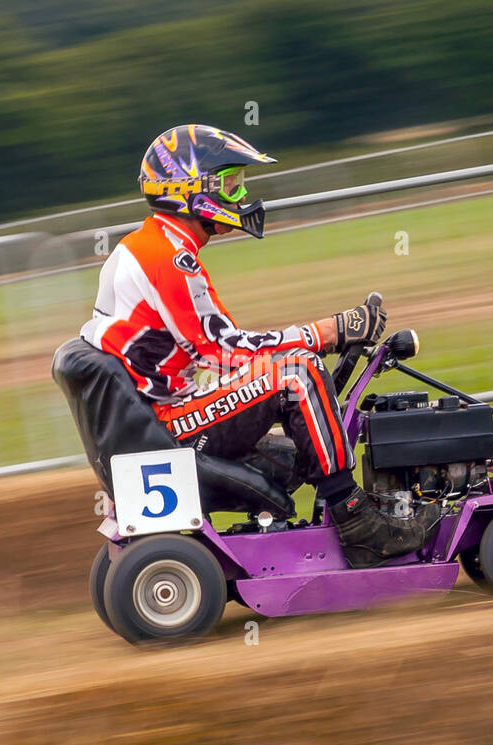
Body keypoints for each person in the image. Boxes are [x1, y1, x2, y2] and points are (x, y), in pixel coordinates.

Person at [80, 124, 438, 567]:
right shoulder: (167, 259)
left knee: (296, 453)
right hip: (169, 425)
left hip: (159, 415)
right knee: (298, 372)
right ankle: (358, 525)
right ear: (191, 190)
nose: (240, 196)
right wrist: (329, 332)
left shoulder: (145, 246)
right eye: (230, 185)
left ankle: (335, 525)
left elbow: (205, 355)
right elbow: (224, 349)